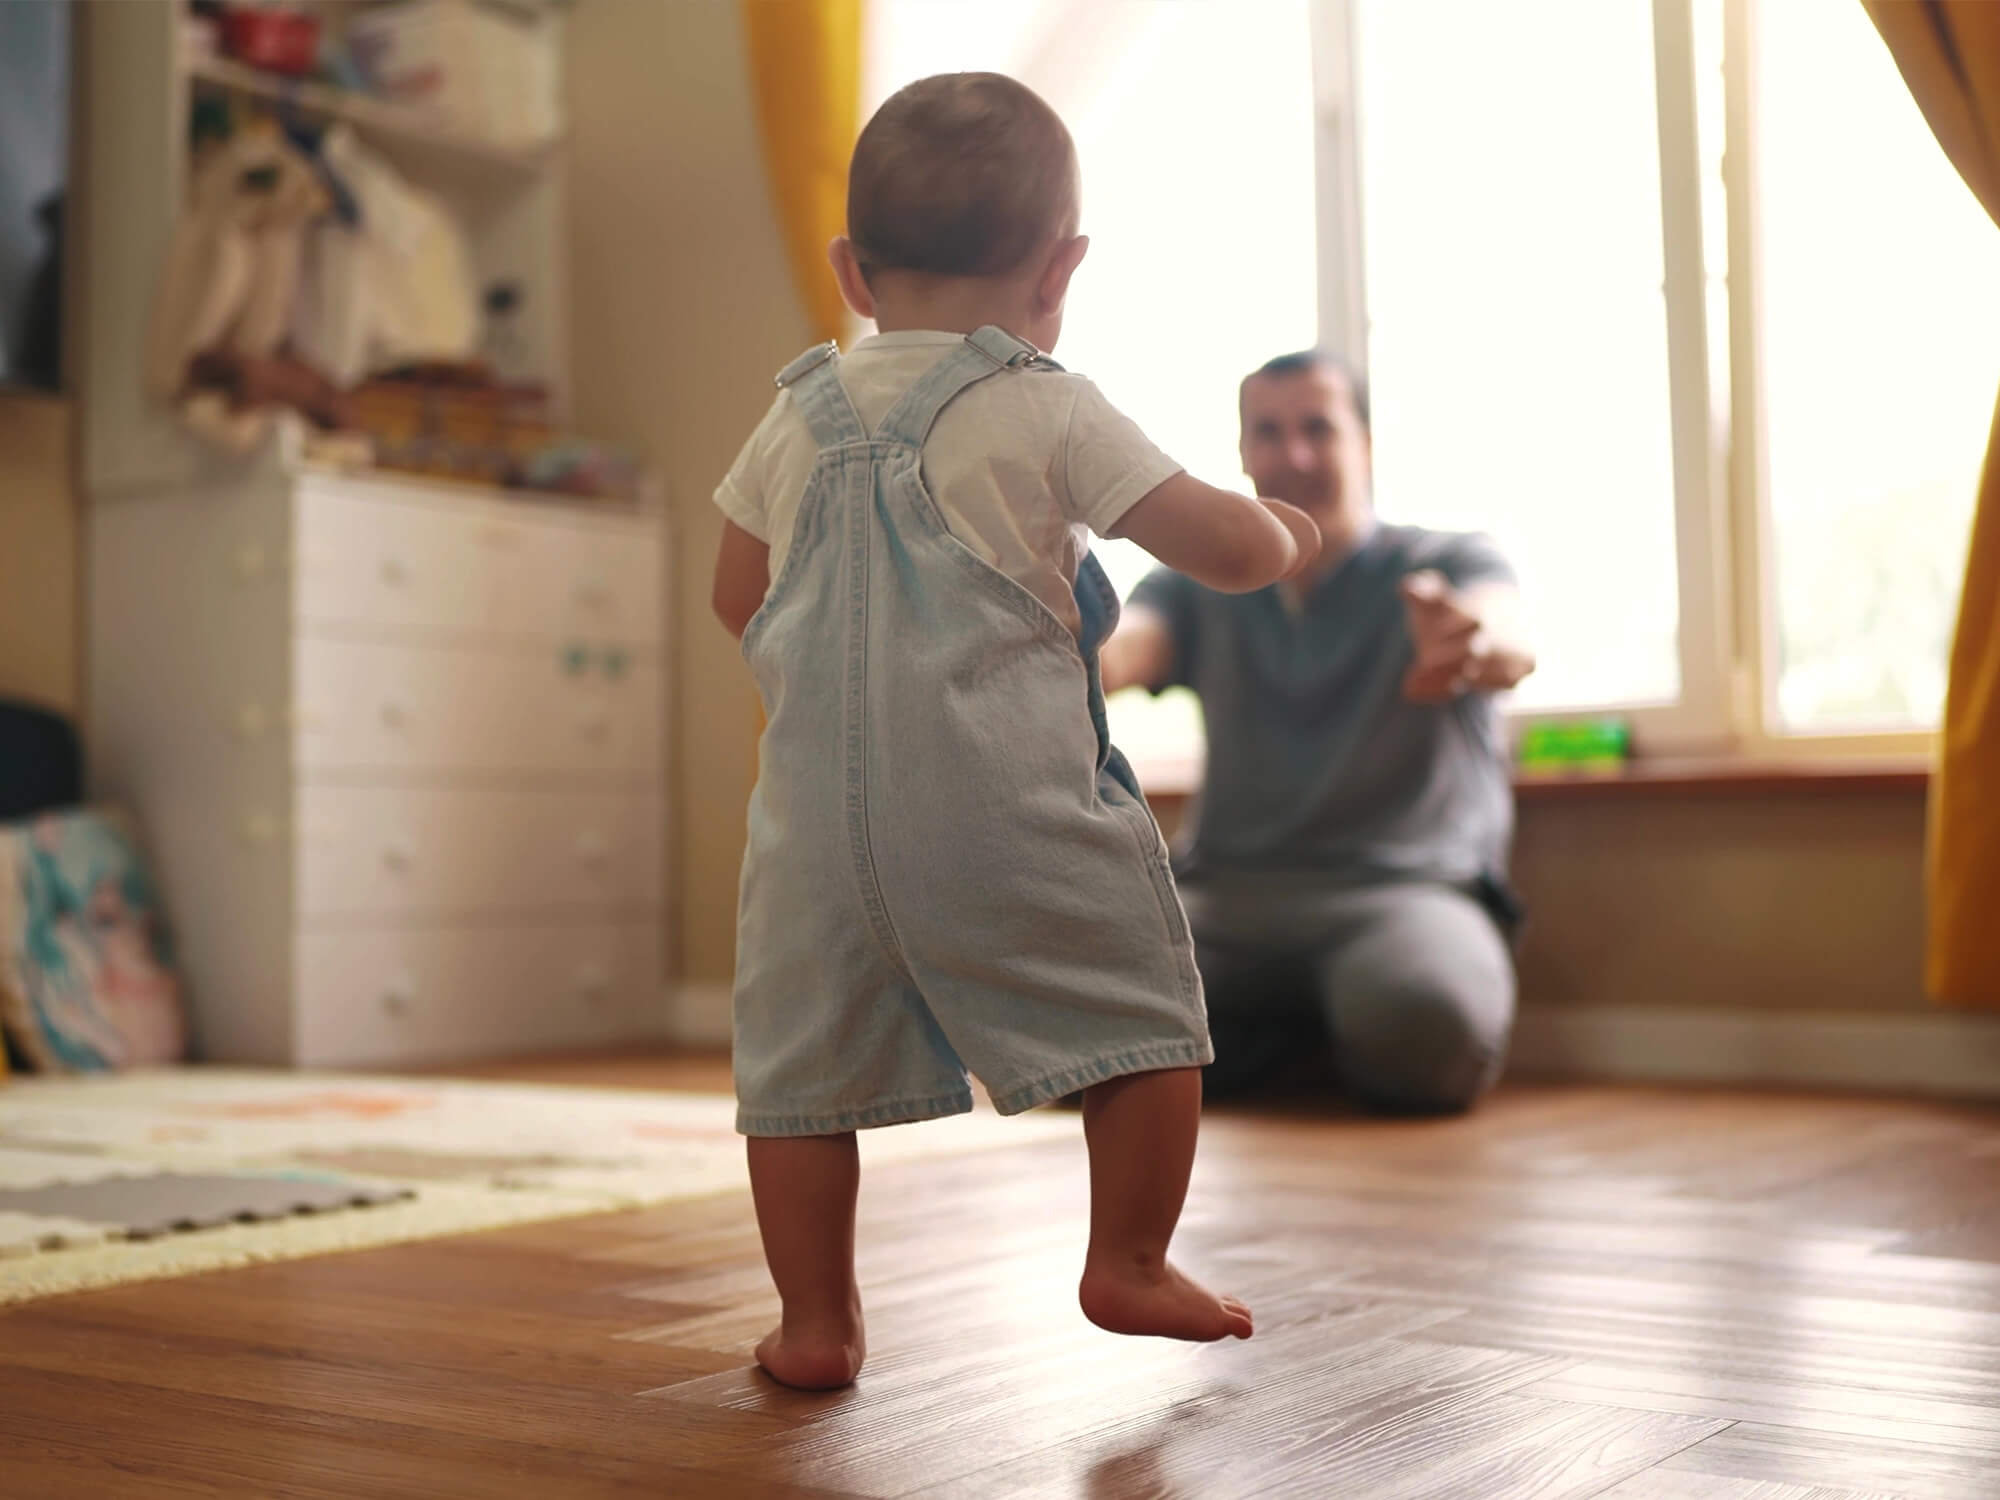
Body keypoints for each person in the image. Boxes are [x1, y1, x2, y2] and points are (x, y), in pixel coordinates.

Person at [709, 73, 1322, 1389]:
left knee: (801, 1082)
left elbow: (733, 598)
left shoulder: (793, 414)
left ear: (851, 272)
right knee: (1149, 1014)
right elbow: (1220, 549)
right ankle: (1131, 1261)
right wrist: (1283, 529)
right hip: (1002, 810)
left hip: (811, 835)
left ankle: (815, 1323)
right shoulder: (1046, 403)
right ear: (1062, 268)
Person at [1100, 351, 1536, 1116]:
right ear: (1242, 452)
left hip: (1403, 893)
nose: (1292, 455)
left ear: (1364, 443)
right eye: (1267, 433)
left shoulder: (1448, 560)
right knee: (1086, 1028)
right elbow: (1126, 648)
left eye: (1317, 429)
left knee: (1428, 1034)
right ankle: (1295, 1037)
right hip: (1225, 900)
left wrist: (1467, 644)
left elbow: (1504, 640)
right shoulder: (1197, 586)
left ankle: (1269, 1041)